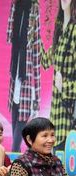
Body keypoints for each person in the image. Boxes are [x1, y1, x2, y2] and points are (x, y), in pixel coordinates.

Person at [40, 0, 76, 150]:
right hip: (57, 117)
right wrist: (37, 36)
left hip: (70, 117)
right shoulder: (60, 27)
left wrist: (64, 86)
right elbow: (45, 61)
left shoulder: (74, 31)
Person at [7, 0, 41, 152]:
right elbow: (9, 36)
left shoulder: (34, 8)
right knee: (14, 118)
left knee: (20, 126)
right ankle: (15, 164)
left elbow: (36, 49)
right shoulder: (15, 6)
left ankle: (14, 160)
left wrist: (37, 96)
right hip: (15, 75)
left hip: (26, 77)